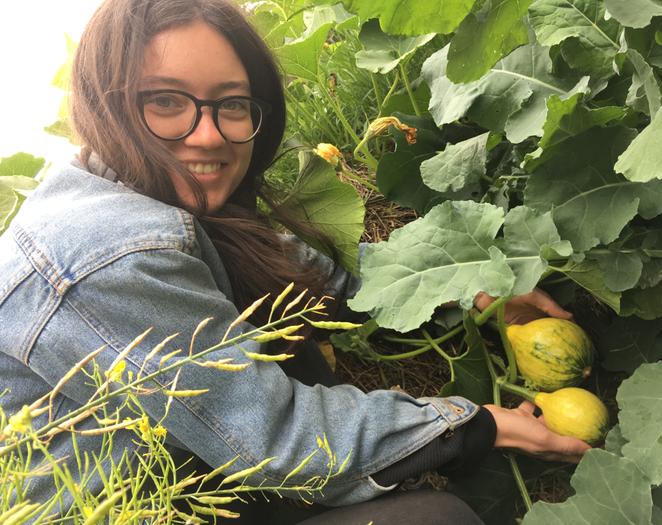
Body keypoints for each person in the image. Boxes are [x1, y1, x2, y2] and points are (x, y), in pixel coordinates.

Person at [0, 0, 590, 523]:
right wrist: (473, 425)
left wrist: (470, 297)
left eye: (232, 104)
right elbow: (276, 437)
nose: (208, 136)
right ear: (106, 104)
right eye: (165, 101)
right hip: (131, 508)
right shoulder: (108, 256)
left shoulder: (159, 201)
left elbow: (330, 281)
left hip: (196, 461)